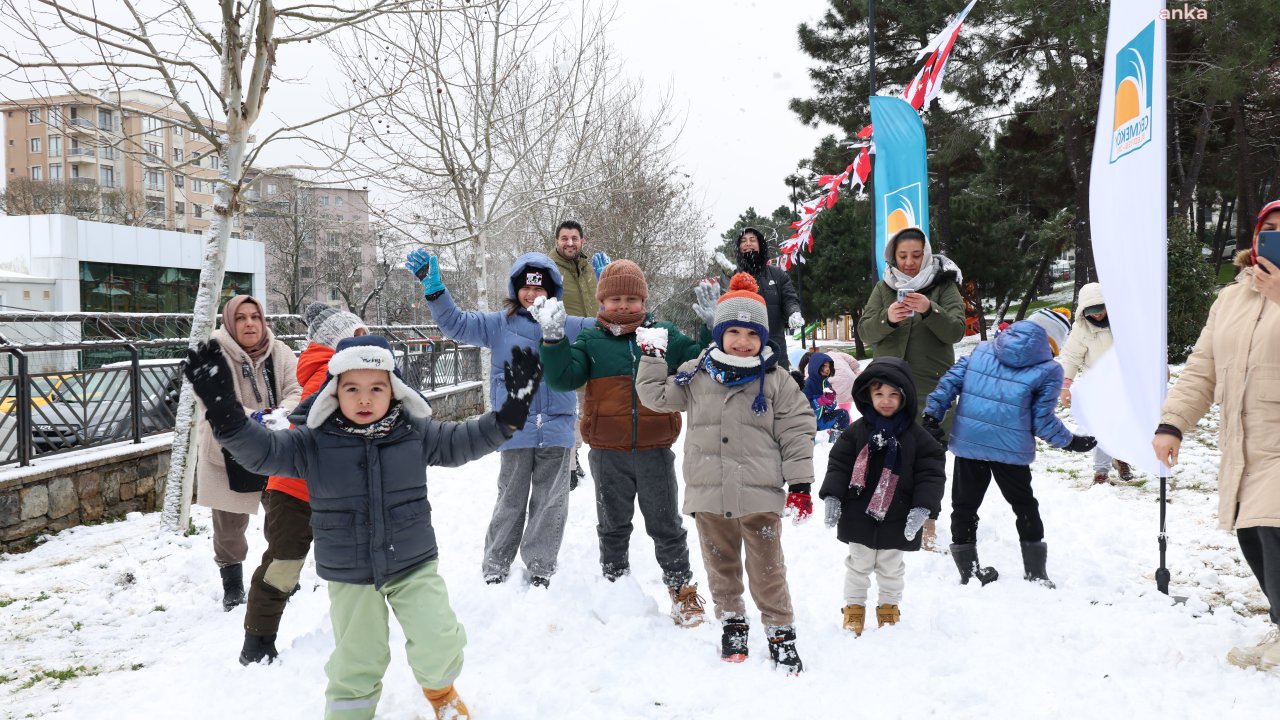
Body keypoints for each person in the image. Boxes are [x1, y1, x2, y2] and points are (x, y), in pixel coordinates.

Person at [183, 334, 542, 720]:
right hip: (350, 572)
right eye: (352, 388)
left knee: (437, 638)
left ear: (395, 389)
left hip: (412, 562)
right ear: (334, 390)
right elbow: (265, 452)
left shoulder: (414, 432)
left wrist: (510, 414)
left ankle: (442, 694)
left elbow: (465, 439)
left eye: (376, 388)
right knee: (358, 656)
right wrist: (227, 418)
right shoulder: (312, 442)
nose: (365, 399)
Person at [634, 273, 813, 673]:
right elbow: (657, 398)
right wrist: (650, 357)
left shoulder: (776, 379)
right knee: (721, 566)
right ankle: (732, 621)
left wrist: (800, 483)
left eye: (752, 334)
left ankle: (780, 629)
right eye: (733, 331)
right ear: (720, 332)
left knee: (768, 569)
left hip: (759, 493)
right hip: (710, 493)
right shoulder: (697, 372)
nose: (743, 341)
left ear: (764, 338)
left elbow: (798, 428)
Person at [533, 259, 708, 627]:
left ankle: (681, 590)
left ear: (644, 300)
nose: (623, 306)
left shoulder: (662, 333)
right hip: (607, 452)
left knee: (666, 524)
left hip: (654, 448)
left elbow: (700, 361)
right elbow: (564, 377)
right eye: (614, 299)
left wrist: (712, 327)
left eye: (632, 298)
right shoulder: (590, 339)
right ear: (601, 303)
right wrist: (552, 339)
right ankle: (615, 581)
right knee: (612, 523)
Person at [409, 249, 593, 587]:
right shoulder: (498, 324)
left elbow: (609, 332)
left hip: (557, 427)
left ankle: (540, 566)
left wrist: (610, 292)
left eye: (539, 289)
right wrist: (435, 290)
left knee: (551, 503)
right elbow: (456, 323)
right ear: (515, 288)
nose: (532, 294)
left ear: (551, 291)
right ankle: (496, 564)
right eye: (526, 287)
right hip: (514, 428)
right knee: (510, 498)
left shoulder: (570, 325)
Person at [1153, 199, 1280, 672]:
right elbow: (1202, 368)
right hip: (1243, 442)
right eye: (1269, 229)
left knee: (1272, 527)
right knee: (1253, 534)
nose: (1275, 237)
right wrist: (1172, 424)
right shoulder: (1231, 297)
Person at [922, 308, 1097, 588]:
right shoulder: (1050, 369)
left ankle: (969, 571)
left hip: (971, 444)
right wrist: (1071, 441)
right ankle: (1036, 573)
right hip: (1010, 450)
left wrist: (932, 414)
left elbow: (950, 381)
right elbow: (1042, 421)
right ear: (1054, 342)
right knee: (1024, 505)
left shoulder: (982, 350)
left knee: (964, 507)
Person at [240, 303, 368, 665]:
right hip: (295, 491)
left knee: (349, 563)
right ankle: (257, 642)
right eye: (356, 335)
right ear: (337, 341)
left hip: (333, 491)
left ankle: (356, 630)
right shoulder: (328, 375)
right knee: (283, 564)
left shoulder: (348, 370)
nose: (365, 340)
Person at [858, 226, 966, 550]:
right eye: (902, 256)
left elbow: (957, 330)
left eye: (916, 256)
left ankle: (928, 524)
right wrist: (887, 318)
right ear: (893, 256)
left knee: (928, 460)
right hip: (888, 393)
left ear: (926, 255)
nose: (908, 263)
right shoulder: (883, 288)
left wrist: (929, 310)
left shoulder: (944, 286)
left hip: (932, 392)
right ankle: (887, 517)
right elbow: (865, 332)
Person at [819, 357, 945, 636]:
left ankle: (888, 607)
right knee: (858, 565)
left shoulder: (917, 436)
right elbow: (839, 464)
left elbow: (931, 473)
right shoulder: (856, 432)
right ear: (868, 396)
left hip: (898, 515)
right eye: (879, 394)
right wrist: (833, 496)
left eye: (893, 395)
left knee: (891, 567)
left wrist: (923, 507)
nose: (886, 401)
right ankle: (854, 608)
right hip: (858, 515)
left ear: (905, 397)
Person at [195, 295, 301, 612]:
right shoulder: (213, 355)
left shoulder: (279, 352)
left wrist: (281, 413)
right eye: (240, 318)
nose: (250, 323)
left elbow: (298, 389)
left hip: (275, 448)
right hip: (228, 452)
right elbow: (213, 400)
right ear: (229, 322)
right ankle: (233, 587)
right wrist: (250, 418)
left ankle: (282, 576)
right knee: (229, 527)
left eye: (255, 316)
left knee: (284, 519)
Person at [1057, 282, 1133, 485]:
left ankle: (1121, 457)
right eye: (1091, 312)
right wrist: (1065, 386)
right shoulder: (1081, 329)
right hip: (1099, 384)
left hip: (1126, 383)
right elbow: (1071, 358)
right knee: (1103, 427)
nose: (1097, 315)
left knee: (1124, 424)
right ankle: (1101, 472)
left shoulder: (1123, 322)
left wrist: (1160, 367)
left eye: (1100, 309)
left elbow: (1144, 346)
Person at [549, 219, 603, 488]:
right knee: (566, 411)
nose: (570, 243)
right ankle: (566, 465)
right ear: (556, 241)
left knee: (587, 412)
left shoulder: (590, 269)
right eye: (564, 238)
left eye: (574, 238)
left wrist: (605, 277)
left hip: (593, 349)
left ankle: (575, 455)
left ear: (583, 241)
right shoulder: (548, 269)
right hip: (564, 351)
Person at [714, 227, 803, 368]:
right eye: (743, 241)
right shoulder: (734, 274)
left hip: (775, 345)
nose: (748, 243)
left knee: (779, 386)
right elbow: (725, 303)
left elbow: (789, 298)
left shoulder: (777, 274)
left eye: (752, 240)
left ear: (760, 245)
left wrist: (794, 311)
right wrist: (728, 275)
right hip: (743, 348)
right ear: (739, 248)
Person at [802, 351, 850, 439]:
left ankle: (837, 442)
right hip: (807, 424)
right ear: (815, 366)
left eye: (829, 366)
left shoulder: (826, 384)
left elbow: (831, 407)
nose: (827, 369)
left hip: (820, 420)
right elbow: (803, 408)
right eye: (824, 366)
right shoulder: (808, 385)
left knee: (843, 414)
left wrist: (830, 402)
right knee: (808, 447)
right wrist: (820, 401)